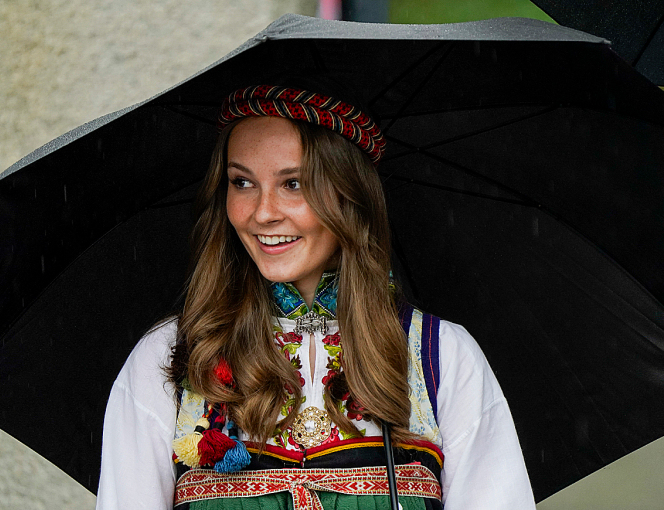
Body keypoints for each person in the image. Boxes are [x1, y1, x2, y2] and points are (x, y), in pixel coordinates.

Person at [96, 85, 536, 509]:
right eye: (242, 182)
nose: (263, 212)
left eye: (294, 183)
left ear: (350, 196)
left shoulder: (440, 356)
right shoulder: (172, 357)